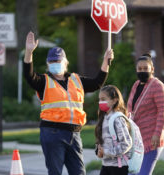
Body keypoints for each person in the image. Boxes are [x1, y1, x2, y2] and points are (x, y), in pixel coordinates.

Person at [23, 31, 114, 175]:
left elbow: (97, 83)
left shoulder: (76, 80)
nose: (55, 64)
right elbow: (29, 76)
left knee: (79, 172)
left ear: (65, 63)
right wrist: (29, 53)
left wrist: (105, 61)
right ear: (48, 64)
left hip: (74, 134)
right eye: (52, 62)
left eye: (58, 61)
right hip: (52, 133)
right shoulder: (43, 81)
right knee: (55, 172)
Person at [127, 53, 164, 175]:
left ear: (152, 69)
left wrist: (157, 133)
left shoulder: (158, 86)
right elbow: (130, 108)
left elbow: (162, 112)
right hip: (137, 140)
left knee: (143, 173)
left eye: (145, 68)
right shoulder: (136, 85)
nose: (142, 71)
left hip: (152, 139)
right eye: (140, 69)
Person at [95, 85, 132, 175]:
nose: (100, 102)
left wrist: (106, 152)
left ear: (114, 100)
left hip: (119, 167)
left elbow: (126, 144)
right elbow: (101, 142)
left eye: (103, 99)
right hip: (106, 165)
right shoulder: (103, 118)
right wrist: (98, 152)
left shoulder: (117, 119)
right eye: (99, 99)